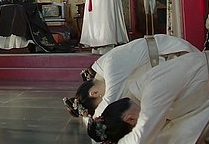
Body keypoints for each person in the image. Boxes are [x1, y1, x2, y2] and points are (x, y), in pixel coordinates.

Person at [66, 34, 199, 118]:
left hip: (177, 54)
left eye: (99, 101)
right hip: (168, 64)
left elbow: (110, 100)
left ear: (94, 93)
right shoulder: (104, 68)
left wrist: (94, 121)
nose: (103, 98)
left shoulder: (111, 66)